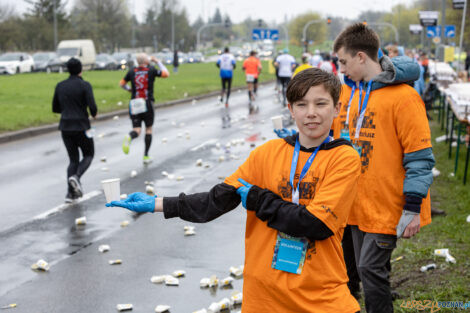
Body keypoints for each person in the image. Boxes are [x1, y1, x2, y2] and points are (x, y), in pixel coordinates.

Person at [107, 68, 362, 313]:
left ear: (337, 108)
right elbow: (216, 200)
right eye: (302, 105)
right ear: (290, 110)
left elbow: (314, 224)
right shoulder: (267, 153)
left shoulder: (344, 158)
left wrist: (258, 199)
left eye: (320, 104)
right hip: (265, 297)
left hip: (320, 296)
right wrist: (156, 203)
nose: (311, 113)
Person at [333, 23, 435, 313]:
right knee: (360, 267)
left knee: (370, 269)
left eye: (343, 61)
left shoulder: (403, 97)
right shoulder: (351, 95)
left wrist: (412, 207)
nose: (341, 69)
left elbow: (420, 157)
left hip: (389, 203)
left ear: (361, 57)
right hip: (357, 204)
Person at [52, 58, 97, 203]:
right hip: (82, 126)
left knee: (73, 159)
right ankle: (76, 177)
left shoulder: (60, 86)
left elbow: (55, 108)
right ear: (80, 70)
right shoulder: (85, 85)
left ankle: (70, 194)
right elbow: (93, 107)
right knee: (89, 154)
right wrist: (94, 114)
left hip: (65, 126)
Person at [119, 53, 169, 164]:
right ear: (146, 61)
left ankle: (129, 136)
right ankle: (146, 156)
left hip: (134, 103)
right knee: (148, 129)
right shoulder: (151, 69)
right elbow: (166, 74)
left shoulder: (132, 71)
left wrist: (129, 89)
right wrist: (157, 62)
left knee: (136, 129)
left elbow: (121, 83)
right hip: (147, 102)